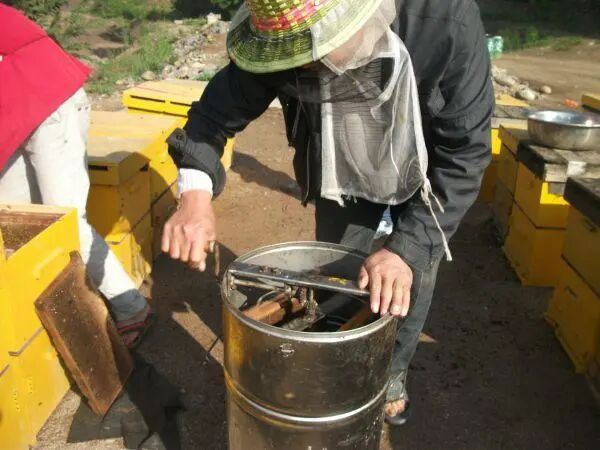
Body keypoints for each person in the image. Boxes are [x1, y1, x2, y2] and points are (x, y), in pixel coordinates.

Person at [162, 0, 494, 425]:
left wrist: (406, 250)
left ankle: (391, 372)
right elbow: (212, 116)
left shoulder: (446, 21)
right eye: (296, 60)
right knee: (338, 264)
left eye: (316, 52)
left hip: (423, 169)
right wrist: (194, 195)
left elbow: (465, 153)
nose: (307, 67)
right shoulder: (284, 30)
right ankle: (334, 355)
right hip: (341, 163)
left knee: (410, 274)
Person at [0, 4, 153, 348]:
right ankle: (43, 316)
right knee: (15, 222)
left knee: (65, 222)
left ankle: (132, 308)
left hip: (51, 106)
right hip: (21, 112)